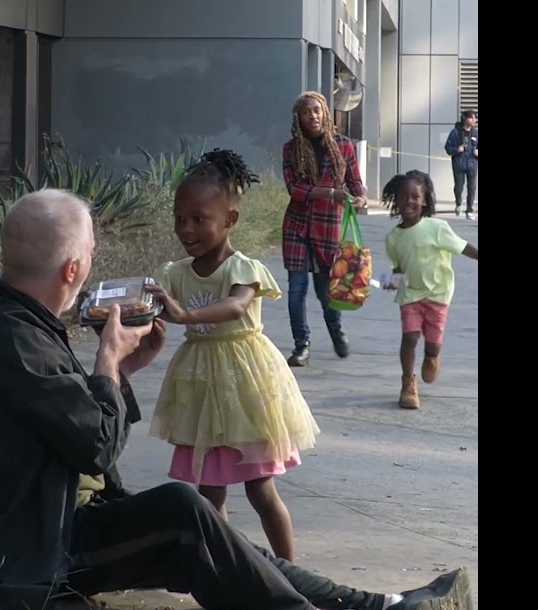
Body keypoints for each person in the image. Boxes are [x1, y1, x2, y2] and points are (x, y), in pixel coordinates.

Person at [0, 188, 473, 610]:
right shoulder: (13, 340)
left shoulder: (9, 325)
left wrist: (124, 369)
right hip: (27, 549)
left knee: (209, 530)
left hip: (43, 525)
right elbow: (94, 446)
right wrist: (106, 363)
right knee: (184, 512)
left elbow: (62, 421)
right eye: (90, 258)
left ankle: (378, 603)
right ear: (73, 270)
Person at [144, 149, 319, 563]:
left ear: (230, 220)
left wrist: (185, 314)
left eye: (199, 218)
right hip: (202, 390)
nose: (186, 228)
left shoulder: (243, 268)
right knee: (209, 491)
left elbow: (236, 307)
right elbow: (145, 303)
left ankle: (291, 574)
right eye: (179, 218)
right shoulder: (175, 273)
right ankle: (227, 572)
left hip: (246, 386)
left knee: (261, 488)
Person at [281, 91, 369, 367]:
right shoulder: (290, 149)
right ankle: (301, 345)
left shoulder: (343, 146)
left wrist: (361, 196)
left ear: (325, 114)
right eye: (307, 111)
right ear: (299, 117)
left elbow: (355, 181)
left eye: (317, 110)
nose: (313, 116)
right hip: (297, 224)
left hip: (328, 226)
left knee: (325, 291)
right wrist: (329, 193)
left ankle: (335, 328)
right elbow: (294, 189)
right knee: (297, 288)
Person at [381, 170, 479, 410]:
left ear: (424, 200)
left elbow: (462, 247)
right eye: (404, 196)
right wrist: (390, 282)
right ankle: (407, 384)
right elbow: (399, 269)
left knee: (432, 344)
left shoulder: (436, 228)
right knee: (410, 338)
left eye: (415, 196)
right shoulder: (393, 238)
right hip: (411, 296)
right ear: (396, 199)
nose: (409, 201)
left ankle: (432, 356)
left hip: (437, 295)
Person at [444, 111, 478, 219]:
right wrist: (456, 149)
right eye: (472, 118)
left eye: (475, 118)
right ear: (465, 119)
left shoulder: (476, 133)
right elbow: (448, 148)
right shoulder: (455, 132)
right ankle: (458, 203)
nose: (474, 120)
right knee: (459, 187)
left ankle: (469, 211)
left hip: (472, 164)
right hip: (459, 164)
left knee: (472, 188)